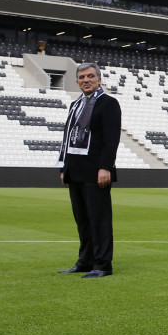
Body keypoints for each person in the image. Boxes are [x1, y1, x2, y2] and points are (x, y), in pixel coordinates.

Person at [58, 63, 121, 278]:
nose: (86, 80)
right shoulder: (75, 105)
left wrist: (106, 167)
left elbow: (112, 140)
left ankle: (103, 264)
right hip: (75, 170)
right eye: (82, 77)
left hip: (96, 171)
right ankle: (85, 260)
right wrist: (64, 166)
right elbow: (67, 138)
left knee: (99, 219)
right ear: (77, 81)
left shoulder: (108, 104)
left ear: (99, 79)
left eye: (91, 76)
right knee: (82, 220)